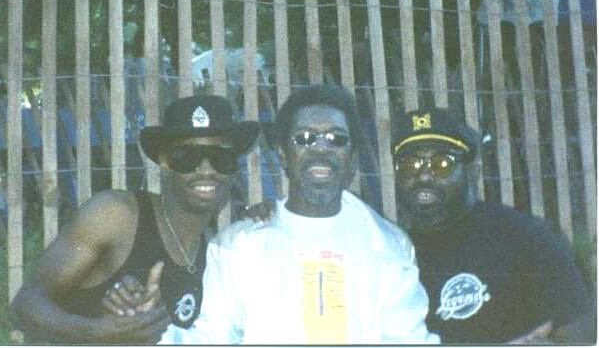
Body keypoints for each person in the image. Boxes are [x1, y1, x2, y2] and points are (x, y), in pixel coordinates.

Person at [169, 84, 438, 344]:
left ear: (353, 158)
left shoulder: (388, 246)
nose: (321, 149)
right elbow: (213, 337)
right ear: (284, 155)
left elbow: (407, 338)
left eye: (336, 139)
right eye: (305, 138)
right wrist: (152, 334)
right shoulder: (237, 246)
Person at [10, 95, 260, 344]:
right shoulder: (116, 215)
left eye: (221, 158)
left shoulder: (218, 252)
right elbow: (25, 305)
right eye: (188, 156)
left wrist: (270, 218)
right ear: (164, 162)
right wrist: (102, 332)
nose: (206, 169)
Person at [392, 107, 594, 344]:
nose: (424, 176)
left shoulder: (526, 238)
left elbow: (583, 330)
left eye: (441, 164)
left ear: (473, 171)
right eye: (409, 165)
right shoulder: (389, 253)